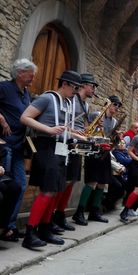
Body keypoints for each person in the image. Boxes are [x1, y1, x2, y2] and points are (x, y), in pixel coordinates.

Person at [20, 70, 82, 249]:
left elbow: (63, 130)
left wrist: (79, 137)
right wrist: (48, 129)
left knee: (55, 191)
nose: (76, 91)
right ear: (65, 84)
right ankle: (30, 233)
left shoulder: (68, 103)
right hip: (46, 147)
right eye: (75, 87)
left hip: (62, 149)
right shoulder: (47, 98)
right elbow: (25, 117)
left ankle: (45, 229)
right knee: (47, 191)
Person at [52, 73, 98, 232]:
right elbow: (63, 123)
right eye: (92, 86)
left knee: (72, 180)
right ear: (85, 85)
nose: (94, 90)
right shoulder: (71, 99)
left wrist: (86, 134)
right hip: (67, 142)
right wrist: (77, 133)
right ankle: (52, 217)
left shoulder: (85, 105)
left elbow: (82, 126)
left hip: (78, 144)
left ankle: (60, 214)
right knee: (63, 181)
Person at [0, 58, 36, 242]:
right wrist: (2, 119)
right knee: (4, 186)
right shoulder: (4, 87)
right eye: (31, 73)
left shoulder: (26, 93)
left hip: (19, 146)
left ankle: (10, 226)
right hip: (4, 146)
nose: (33, 77)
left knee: (20, 186)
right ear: (20, 73)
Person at [72, 95, 122, 226]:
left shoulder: (114, 122)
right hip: (93, 151)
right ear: (108, 104)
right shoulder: (96, 114)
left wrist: (117, 138)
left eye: (118, 106)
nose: (116, 108)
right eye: (115, 104)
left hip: (105, 153)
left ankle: (95, 211)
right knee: (92, 182)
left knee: (102, 183)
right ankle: (80, 212)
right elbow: (86, 131)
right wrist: (95, 128)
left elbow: (113, 143)